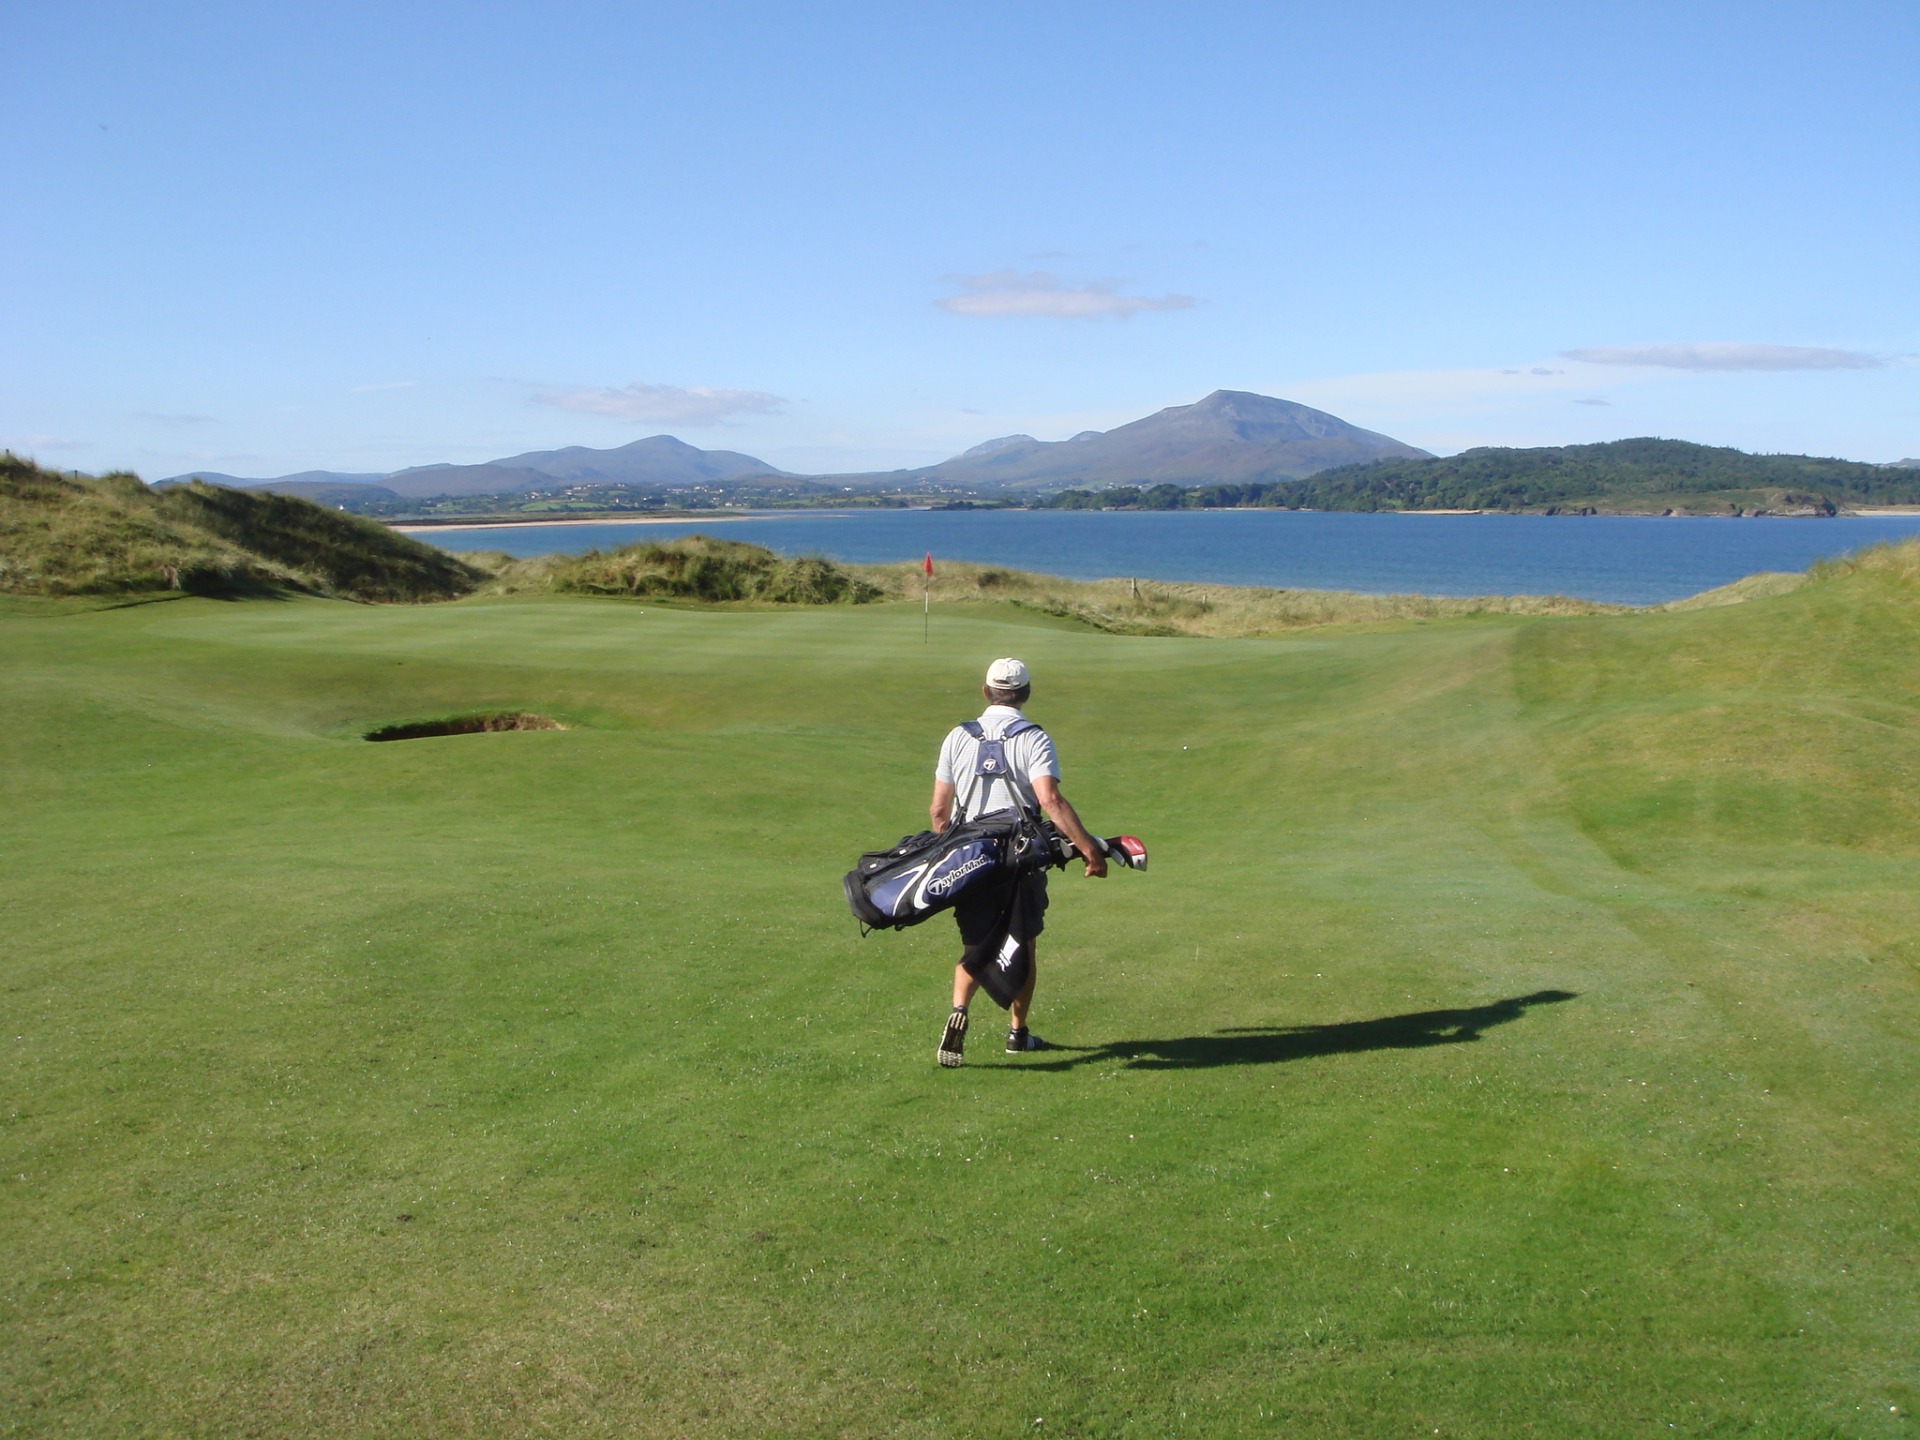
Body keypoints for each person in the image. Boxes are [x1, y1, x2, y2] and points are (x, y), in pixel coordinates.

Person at [930, 657, 1105, 1067]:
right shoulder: (1034, 738)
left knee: (977, 941)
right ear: (1025, 694)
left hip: (970, 856)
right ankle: (1017, 1034)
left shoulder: (957, 737)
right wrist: (1088, 848)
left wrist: (951, 852)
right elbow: (1049, 800)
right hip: (1020, 859)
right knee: (1021, 942)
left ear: (986, 691)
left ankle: (959, 1010)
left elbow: (939, 811)